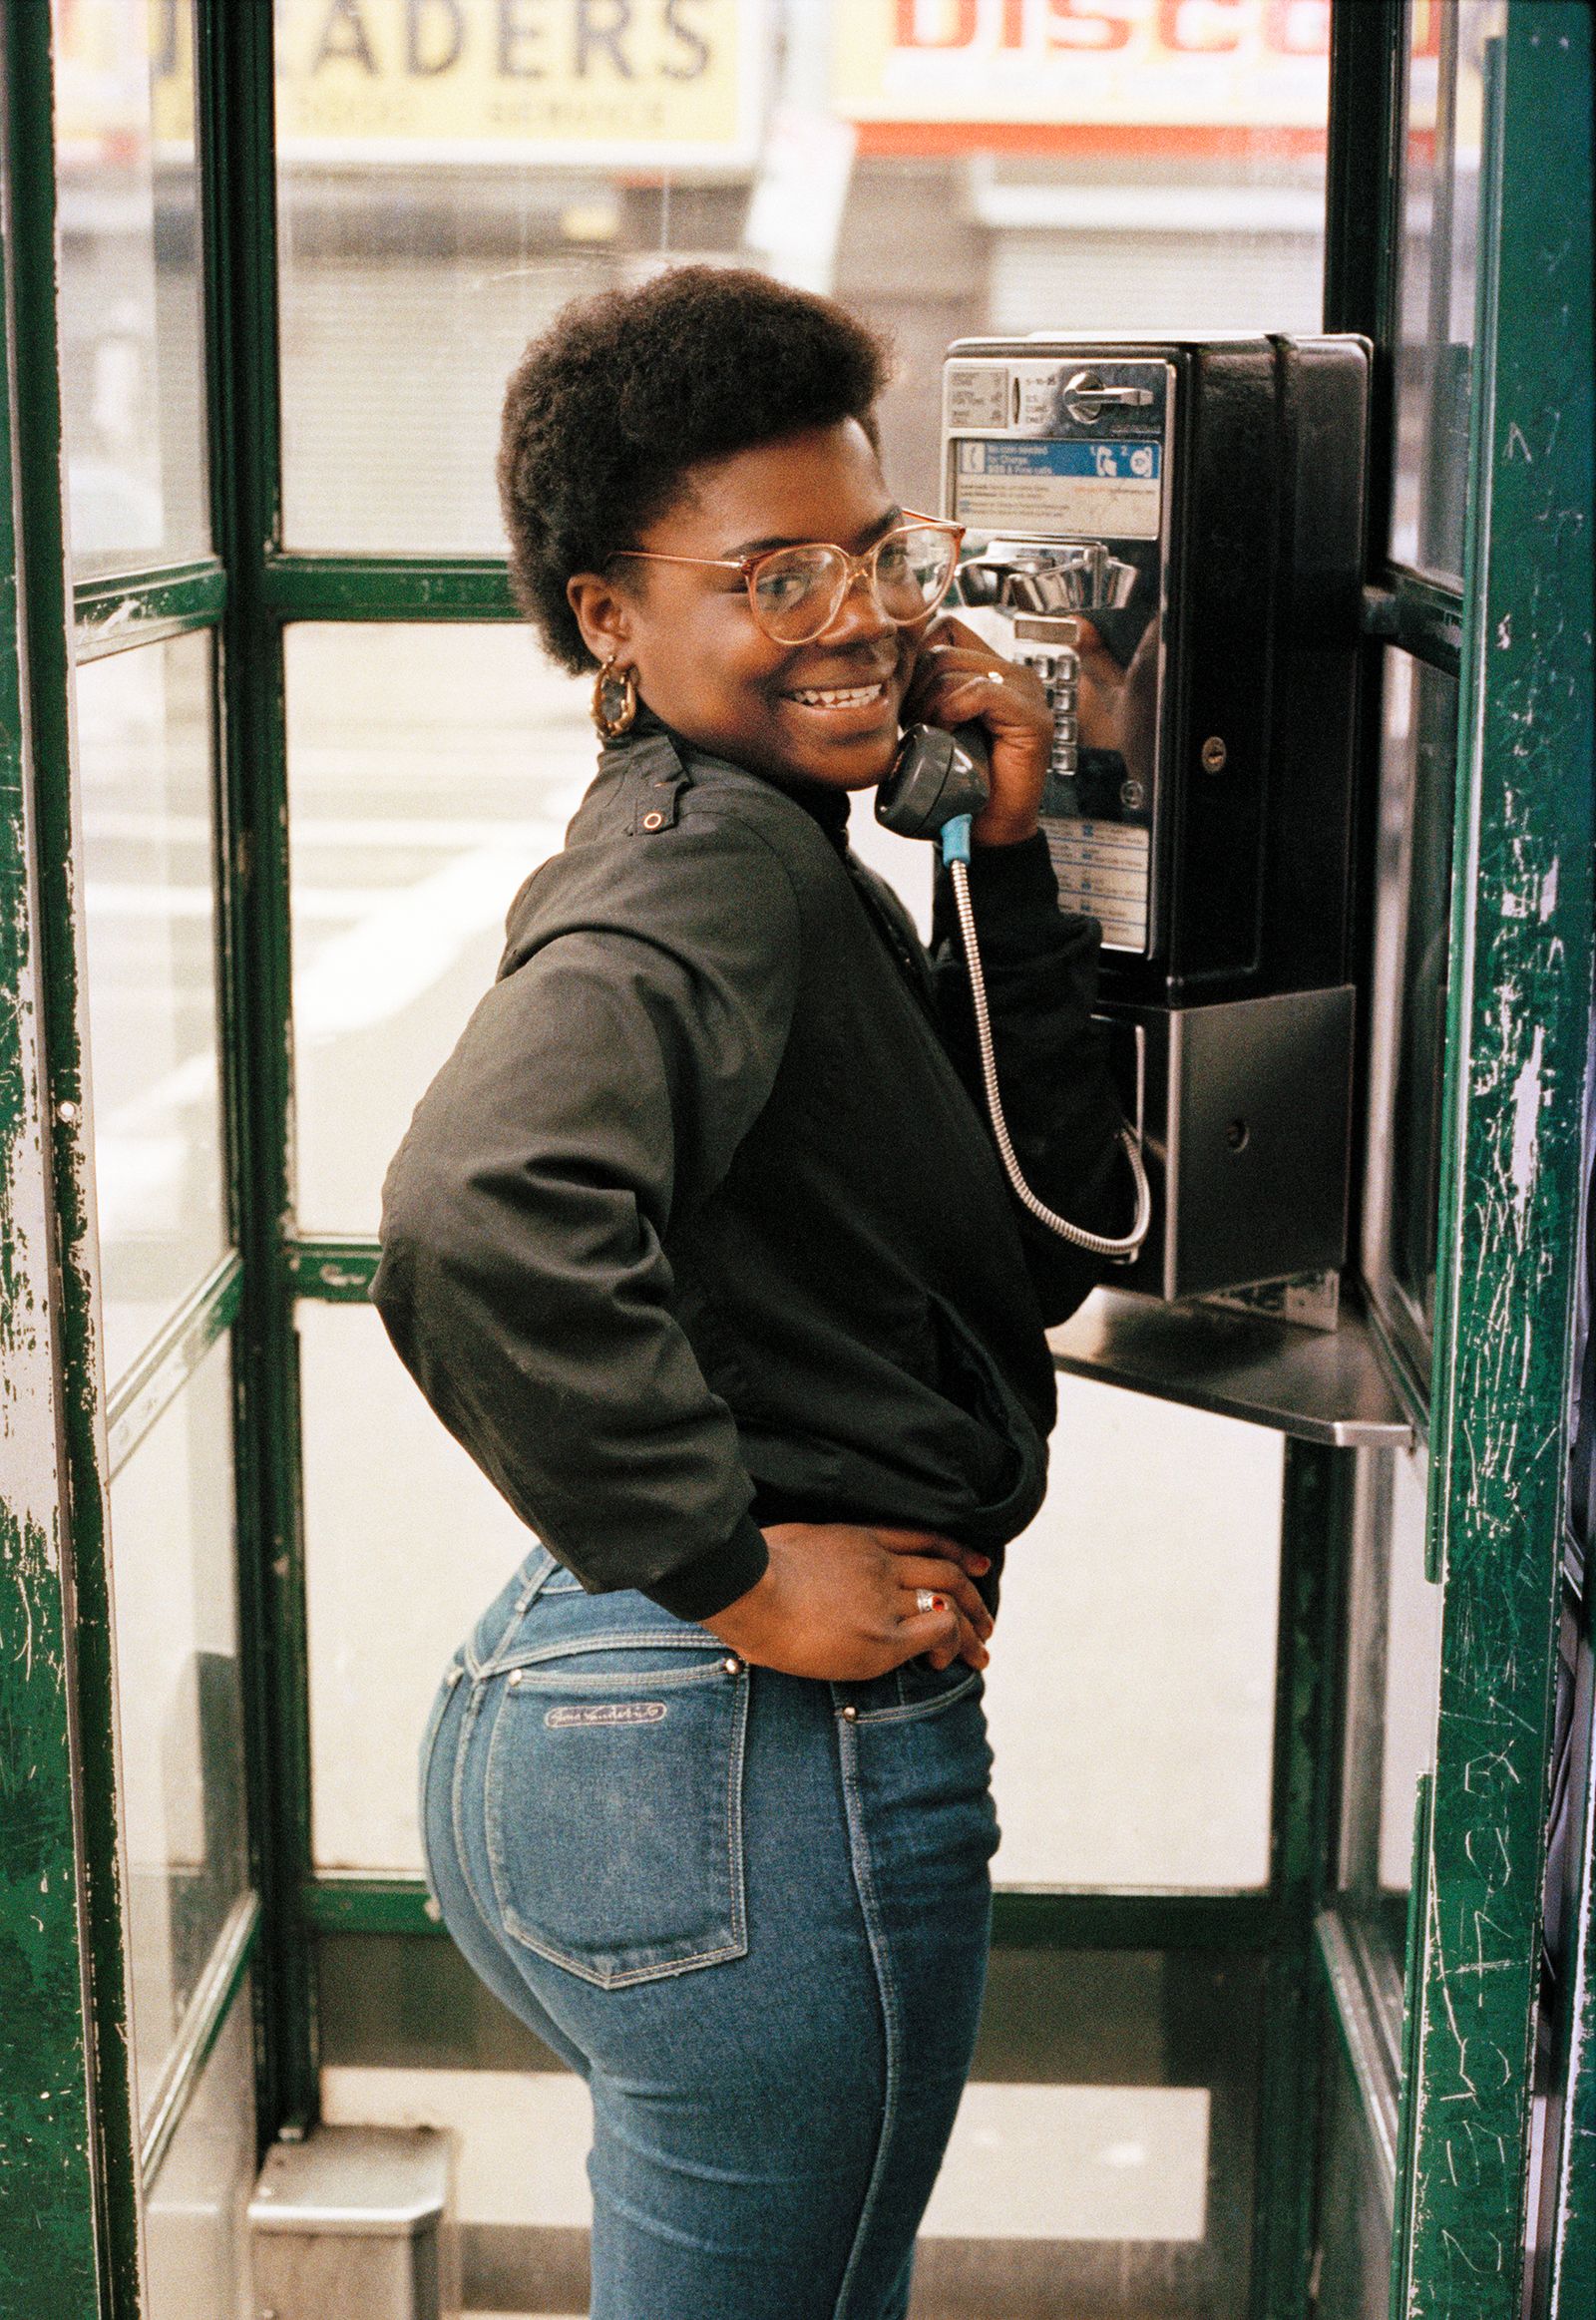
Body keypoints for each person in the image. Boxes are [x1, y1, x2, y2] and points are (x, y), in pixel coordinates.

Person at [372, 264, 1131, 2320]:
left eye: (872, 551)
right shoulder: (707, 860)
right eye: (768, 576)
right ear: (610, 618)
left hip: (601, 1706)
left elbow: (1055, 1207)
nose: (855, 617)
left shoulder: (760, 843)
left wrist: (1007, 848)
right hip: (737, 1746)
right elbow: (474, 1203)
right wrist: (732, 1568)